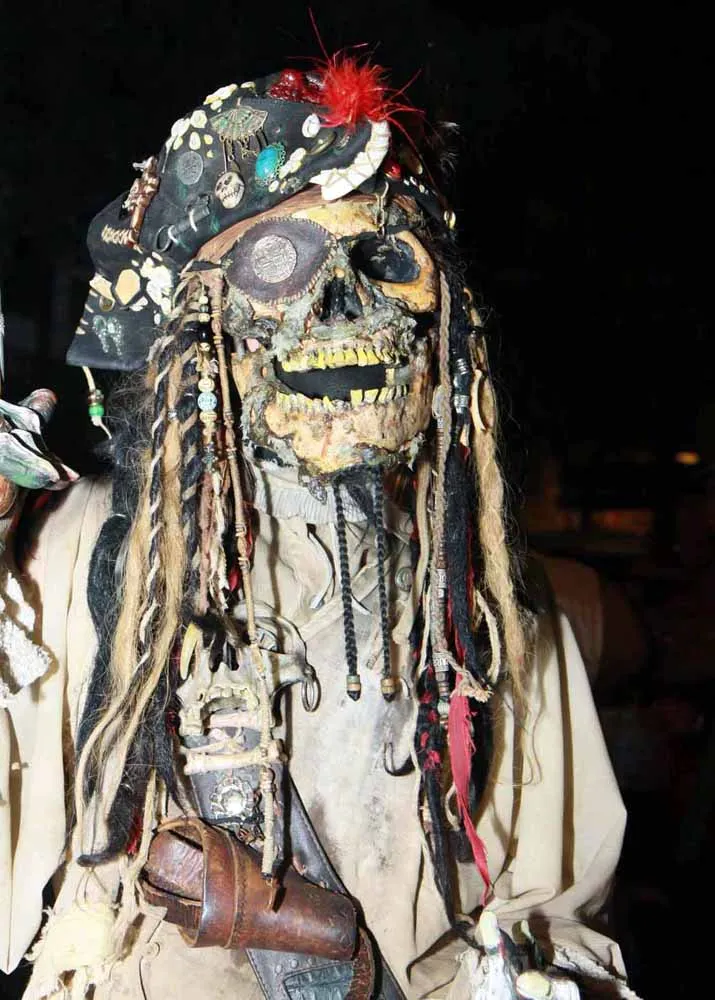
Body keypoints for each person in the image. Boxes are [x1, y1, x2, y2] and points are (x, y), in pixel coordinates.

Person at [0, 54, 637, 1000]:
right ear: (201, 320)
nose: (342, 303)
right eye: (276, 261)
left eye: (386, 261)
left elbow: (555, 898)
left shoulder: (480, 594)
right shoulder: (90, 550)